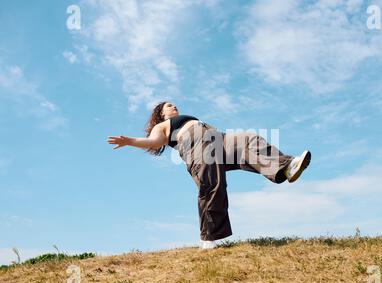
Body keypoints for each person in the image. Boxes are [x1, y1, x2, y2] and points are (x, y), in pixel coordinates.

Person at [107, 101, 311, 249]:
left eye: (175, 104)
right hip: (195, 144)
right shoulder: (163, 126)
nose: (174, 106)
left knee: (249, 139)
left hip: (217, 138)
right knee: (213, 184)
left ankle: (286, 166)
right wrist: (130, 141)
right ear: (162, 114)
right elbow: (153, 142)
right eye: (169, 106)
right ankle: (209, 237)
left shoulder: (190, 118)